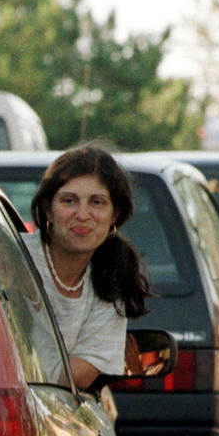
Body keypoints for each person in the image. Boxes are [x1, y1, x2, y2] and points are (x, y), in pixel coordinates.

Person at [27, 146, 151, 388]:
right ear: (47, 208)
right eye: (68, 200)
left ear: (114, 214)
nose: (82, 214)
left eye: (97, 202)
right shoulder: (11, 257)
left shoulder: (112, 279)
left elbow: (76, 378)